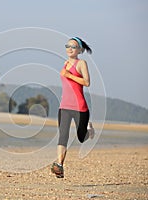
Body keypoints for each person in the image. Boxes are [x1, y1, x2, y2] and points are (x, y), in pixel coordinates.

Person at [51, 37, 95, 178]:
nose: (70, 48)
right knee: (63, 136)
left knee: (81, 137)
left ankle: (90, 131)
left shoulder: (81, 63)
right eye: (68, 46)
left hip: (79, 107)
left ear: (80, 50)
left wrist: (69, 75)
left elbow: (87, 82)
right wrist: (67, 74)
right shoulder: (65, 63)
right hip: (64, 106)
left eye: (73, 46)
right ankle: (60, 166)